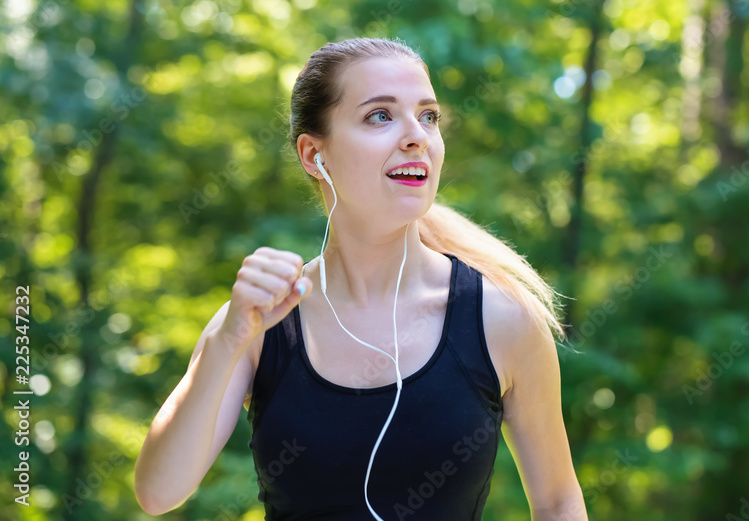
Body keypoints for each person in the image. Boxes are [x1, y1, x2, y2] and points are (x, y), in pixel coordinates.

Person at [134, 36, 587, 520]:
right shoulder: (257, 325)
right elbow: (159, 493)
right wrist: (227, 342)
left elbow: (559, 503)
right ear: (315, 155)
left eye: (428, 116)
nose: (416, 135)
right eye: (380, 116)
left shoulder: (501, 317)